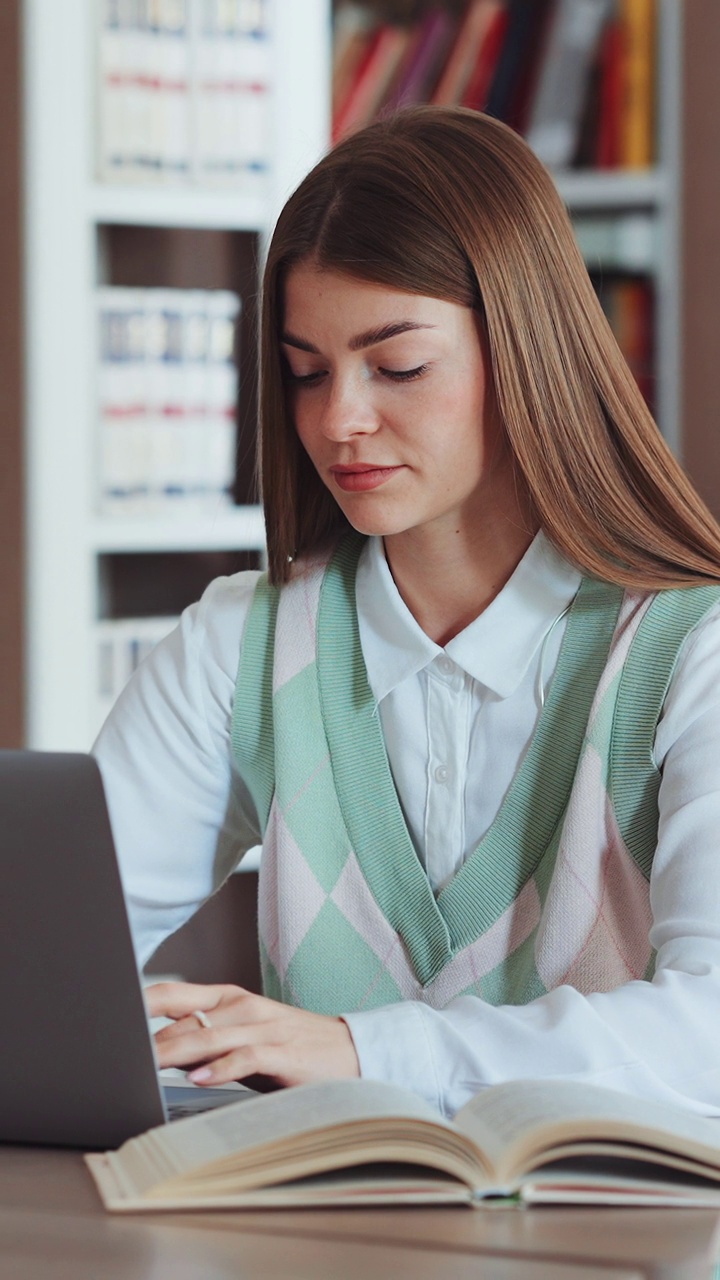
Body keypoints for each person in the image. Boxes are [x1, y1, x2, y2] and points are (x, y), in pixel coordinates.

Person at [95, 106, 720, 1120]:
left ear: (525, 352)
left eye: (398, 366)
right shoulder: (239, 646)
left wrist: (356, 1048)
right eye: (306, 371)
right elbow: (43, 964)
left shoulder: (692, 652)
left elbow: (710, 1037)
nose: (338, 419)